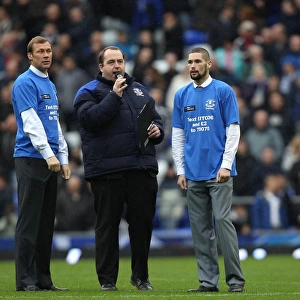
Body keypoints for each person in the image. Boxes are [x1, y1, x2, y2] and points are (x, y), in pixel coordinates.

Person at [73, 46, 164, 291]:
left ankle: (141, 277)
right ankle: (107, 280)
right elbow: (91, 121)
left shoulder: (139, 89)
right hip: (107, 171)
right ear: (100, 66)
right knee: (107, 226)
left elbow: (155, 118)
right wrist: (113, 96)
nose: (117, 66)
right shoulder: (87, 92)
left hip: (141, 167)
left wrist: (157, 131)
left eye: (120, 61)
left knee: (142, 225)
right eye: (111, 62)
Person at [172, 47, 245, 293]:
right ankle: (208, 281)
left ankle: (235, 280)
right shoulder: (181, 95)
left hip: (218, 172)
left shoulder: (223, 91)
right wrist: (180, 169)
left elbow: (233, 129)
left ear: (209, 64)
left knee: (223, 222)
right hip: (192, 173)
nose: (192, 66)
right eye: (190, 61)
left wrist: (226, 164)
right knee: (200, 229)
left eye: (197, 61)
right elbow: (178, 135)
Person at [11, 36, 71, 292]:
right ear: (30, 56)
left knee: (46, 223)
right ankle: (25, 280)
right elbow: (31, 123)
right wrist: (49, 154)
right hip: (31, 158)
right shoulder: (25, 82)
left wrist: (64, 156)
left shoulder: (50, 84)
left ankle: (43, 279)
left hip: (51, 160)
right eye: (41, 51)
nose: (46, 54)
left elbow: (54, 123)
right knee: (29, 222)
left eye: (48, 50)